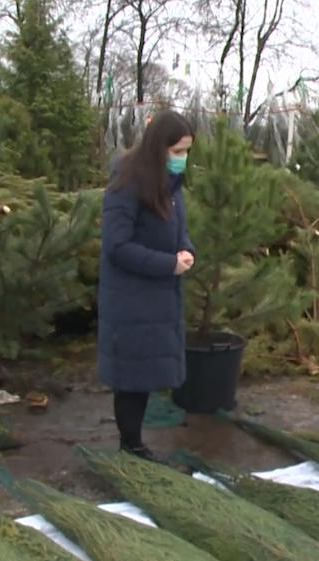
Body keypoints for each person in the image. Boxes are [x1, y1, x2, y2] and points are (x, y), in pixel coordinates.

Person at [97, 111, 197, 461]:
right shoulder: (126, 184)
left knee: (144, 373)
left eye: (187, 152)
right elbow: (117, 246)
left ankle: (134, 444)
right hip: (131, 299)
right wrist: (168, 264)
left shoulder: (169, 187)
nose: (182, 159)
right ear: (159, 148)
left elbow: (178, 228)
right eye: (178, 151)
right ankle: (131, 446)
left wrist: (186, 249)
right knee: (131, 377)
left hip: (157, 297)